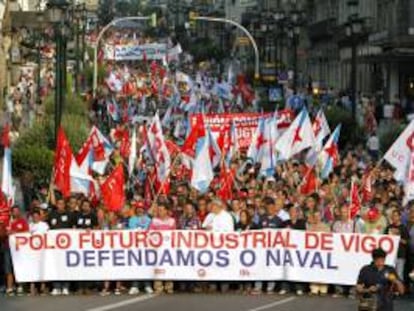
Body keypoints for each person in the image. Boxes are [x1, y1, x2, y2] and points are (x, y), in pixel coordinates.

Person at [149, 203, 176, 294]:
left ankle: (169, 286)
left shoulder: (171, 221)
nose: (159, 212)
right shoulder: (154, 220)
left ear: (166, 210)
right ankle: (158, 287)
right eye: (158, 210)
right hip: (158, 248)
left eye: (161, 210)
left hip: (168, 247)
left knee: (169, 266)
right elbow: (151, 232)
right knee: (158, 266)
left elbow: (174, 234)